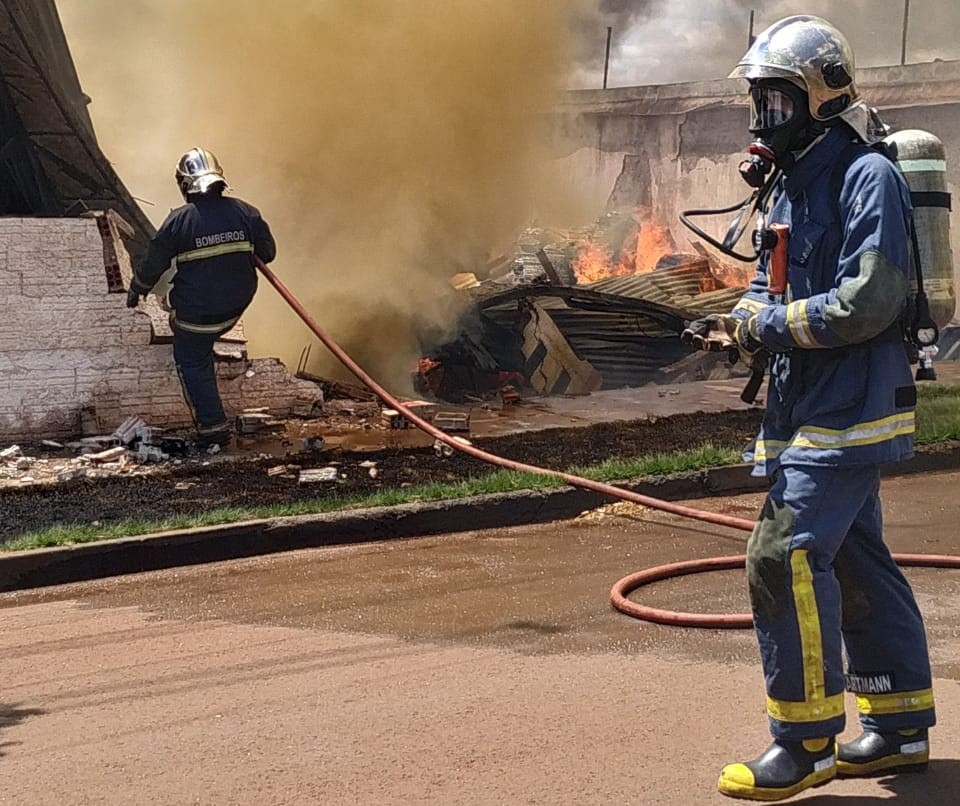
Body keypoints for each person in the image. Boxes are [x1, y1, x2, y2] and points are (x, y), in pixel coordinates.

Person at [681, 15, 935, 802]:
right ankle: (898, 725)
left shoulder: (868, 178)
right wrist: (742, 320)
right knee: (856, 556)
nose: (764, 120)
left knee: (782, 554)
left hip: (853, 404)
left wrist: (774, 324)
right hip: (807, 404)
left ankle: (805, 741)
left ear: (821, 98)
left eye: (777, 103)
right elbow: (773, 280)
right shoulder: (790, 183)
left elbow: (872, 297)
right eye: (757, 104)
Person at [127, 148, 277, 447]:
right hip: (235, 308)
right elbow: (268, 254)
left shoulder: (179, 222)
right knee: (196, 331)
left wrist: (137, 289)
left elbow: (153, 263)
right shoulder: (246, 212)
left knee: (192, 358)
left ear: (185, 185)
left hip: (197, 315)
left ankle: (212, 430)